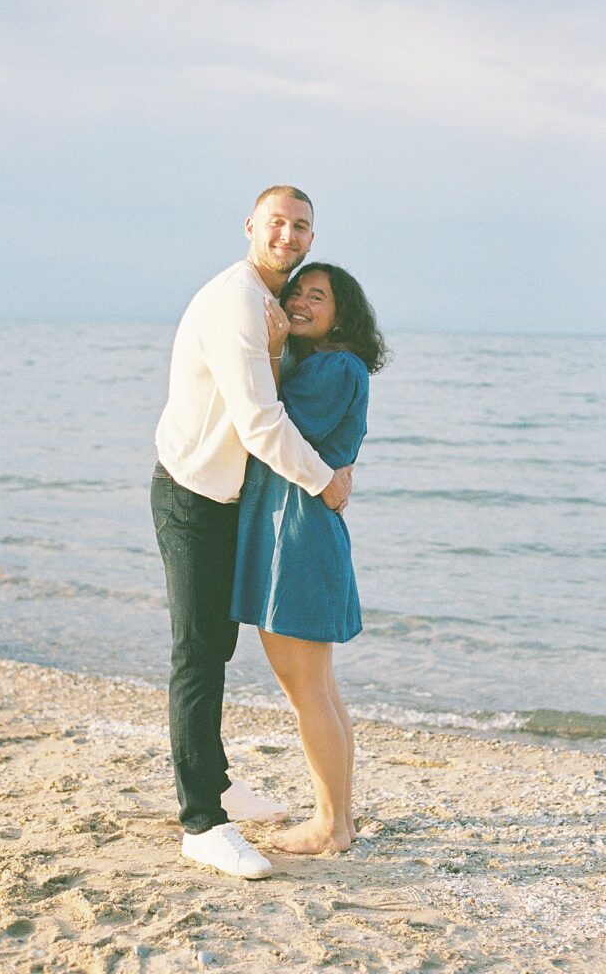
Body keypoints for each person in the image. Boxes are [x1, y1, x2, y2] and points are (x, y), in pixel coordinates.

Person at [151, 187, 354, 879]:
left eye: (301, 226)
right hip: (192, 495)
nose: (288, 235)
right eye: (277, 222)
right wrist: (325, 480)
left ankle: (216, 781)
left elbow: (281, 396)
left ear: (310, 237)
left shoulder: (268, 304)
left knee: (216, 646)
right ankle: (201, 823)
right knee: (197, 656)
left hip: (227, 499)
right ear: (250, 226)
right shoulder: (238, 300)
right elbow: (261, 422)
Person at [230, 262, 388, 855]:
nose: (299, 302)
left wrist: (271, 350)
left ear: (341, 314)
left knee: (307, 692)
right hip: (304, 527)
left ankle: (329, 825)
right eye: (296, 291)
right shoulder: (333, 364)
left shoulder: (333, 367)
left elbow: (270, 421)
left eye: (316, 297)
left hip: (297, 533)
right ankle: (340, 819)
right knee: (319, 688)